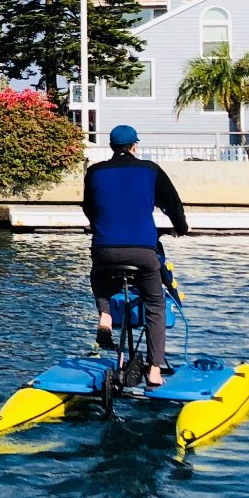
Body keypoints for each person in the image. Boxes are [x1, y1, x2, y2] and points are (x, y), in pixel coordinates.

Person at [82, 124, 189, 387]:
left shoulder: (94, 171)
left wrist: (101, 225)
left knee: (99, 275)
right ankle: (154, 370)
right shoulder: (150, 169)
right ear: (134, 147)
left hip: (105, 249)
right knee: (155, 303)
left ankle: (105, 314)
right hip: (142, 252)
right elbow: (174, 205)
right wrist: (181, 228)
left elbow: (89, 207)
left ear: (111, 147)